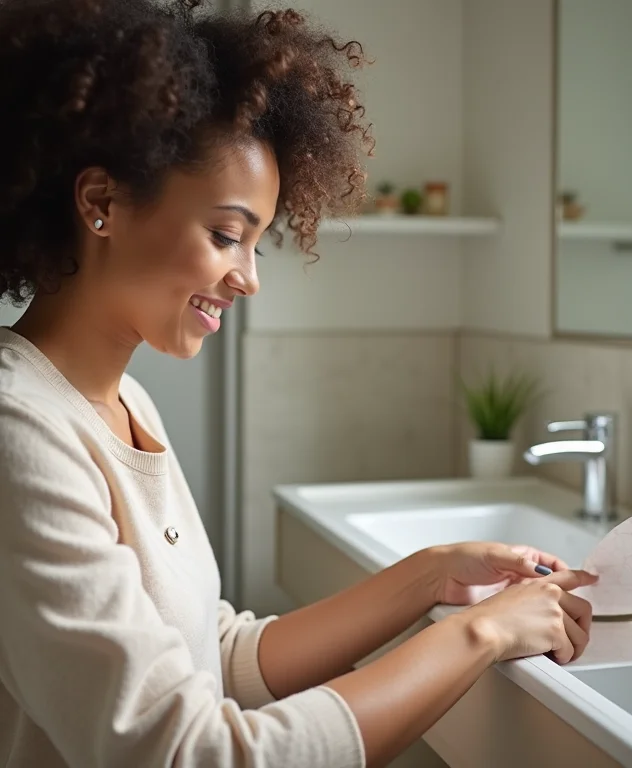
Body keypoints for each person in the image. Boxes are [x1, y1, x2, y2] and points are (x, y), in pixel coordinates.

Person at [0, 1, 597, 766]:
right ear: (100, 203)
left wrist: (432, 575)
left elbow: (219, 659)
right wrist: (482, 633)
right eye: (225, 235)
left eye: (257, 244)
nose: (247, 278)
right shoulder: (21, 431)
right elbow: (189, 752)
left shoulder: (124, 406)